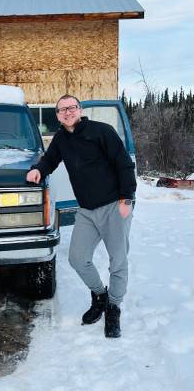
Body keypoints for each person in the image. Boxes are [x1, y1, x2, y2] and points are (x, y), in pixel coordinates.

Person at [26, 94, 136, 338]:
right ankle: (99, 295)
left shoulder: (101, 131)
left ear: (79, 109)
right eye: (62, 110)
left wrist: (126, 198)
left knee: (117, 260)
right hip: (86, 210)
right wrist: (37, 170)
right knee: (77, 258)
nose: (67, 112)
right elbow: (50, 160)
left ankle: (113, 307)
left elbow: (124, 164)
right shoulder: (61, 139)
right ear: (57, 115)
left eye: (71, 107)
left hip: (114, 205)